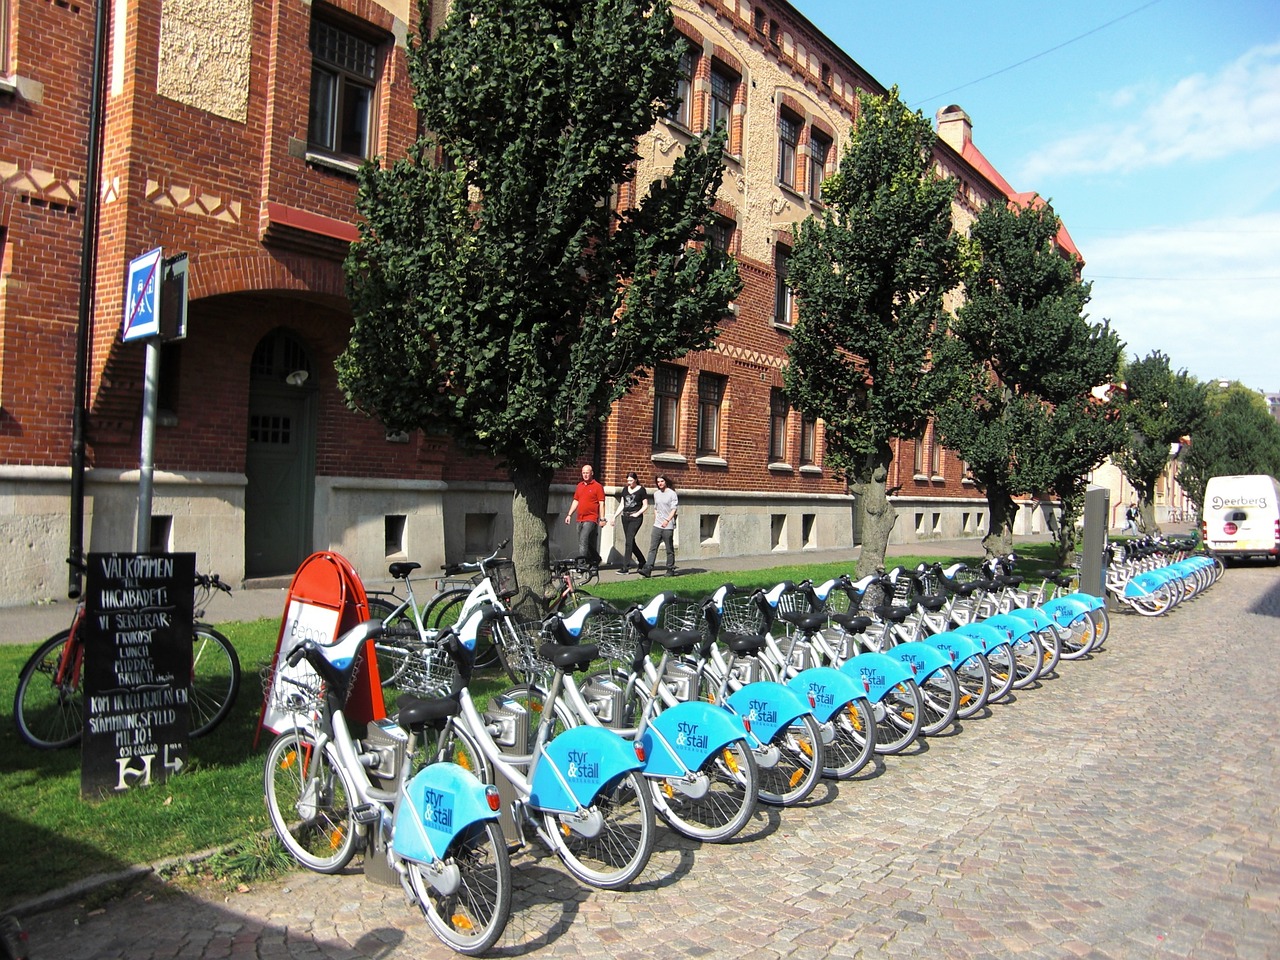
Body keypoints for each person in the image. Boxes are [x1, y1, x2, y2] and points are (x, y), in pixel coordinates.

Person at [605, 472, 648, 574]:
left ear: (635, 480)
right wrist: (614, 516)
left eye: (631, 480)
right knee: (630, 542)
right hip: (625, 517)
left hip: (636, 518)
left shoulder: (641, 490)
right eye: (628, 480)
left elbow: (645, 505)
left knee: (628, 541)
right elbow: (622, 504)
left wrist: (637, 514)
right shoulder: (625, 490)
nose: (629, 483)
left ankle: (625, 568)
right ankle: (642, 561)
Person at [564, 464, 606, 568]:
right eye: (583, 473)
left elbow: (602, 503)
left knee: (583, 540)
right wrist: (569, 514)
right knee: (584, 541)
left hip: (591, 518)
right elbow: (576, 501)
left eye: (587, 473)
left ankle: (581, 565)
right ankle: (596, 558)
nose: (585, 475)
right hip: (580, 518)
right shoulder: (579, 486)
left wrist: (602, 518)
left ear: (592, 473)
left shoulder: (597, 486)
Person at [639, 475, 678, 578]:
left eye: (662, 481)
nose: (660, 483)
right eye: (658, 482)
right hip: (657, 525)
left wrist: (667, 520)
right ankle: (648, 569)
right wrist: (656, 519)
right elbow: (656, 508)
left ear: (666, 482)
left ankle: (670, 569)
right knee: (653, 548)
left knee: (669, 548)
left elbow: (674, 509)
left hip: (668, 525)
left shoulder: (672, 494)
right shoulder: (656, 494)